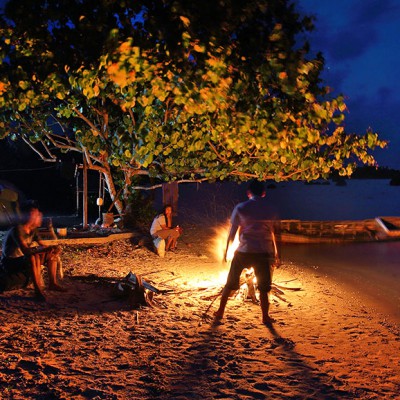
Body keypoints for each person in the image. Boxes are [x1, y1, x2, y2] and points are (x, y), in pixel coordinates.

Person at [214, 180, 280, 325]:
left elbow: (232, 232)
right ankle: (265, 317)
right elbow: (275, 233)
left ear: (248, 193)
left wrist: (227, 250)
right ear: (263, 193)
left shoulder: (241, 207)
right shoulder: (270, 209)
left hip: (244, 251)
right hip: (263, 253)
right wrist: (277, 254)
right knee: (264, 288)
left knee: (230, 283)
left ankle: (220, 312)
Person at [0, 201, 65, 301]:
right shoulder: (18, 230)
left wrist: (52, 248)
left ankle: (53, 283)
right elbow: (25, 250)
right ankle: (37, 291)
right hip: (10, 262)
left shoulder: (32, 230)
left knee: (52, 254)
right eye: (34, 213)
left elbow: (42, 245)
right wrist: (42, 249)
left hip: (23, 259)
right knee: (32, 257)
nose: (37, 216)